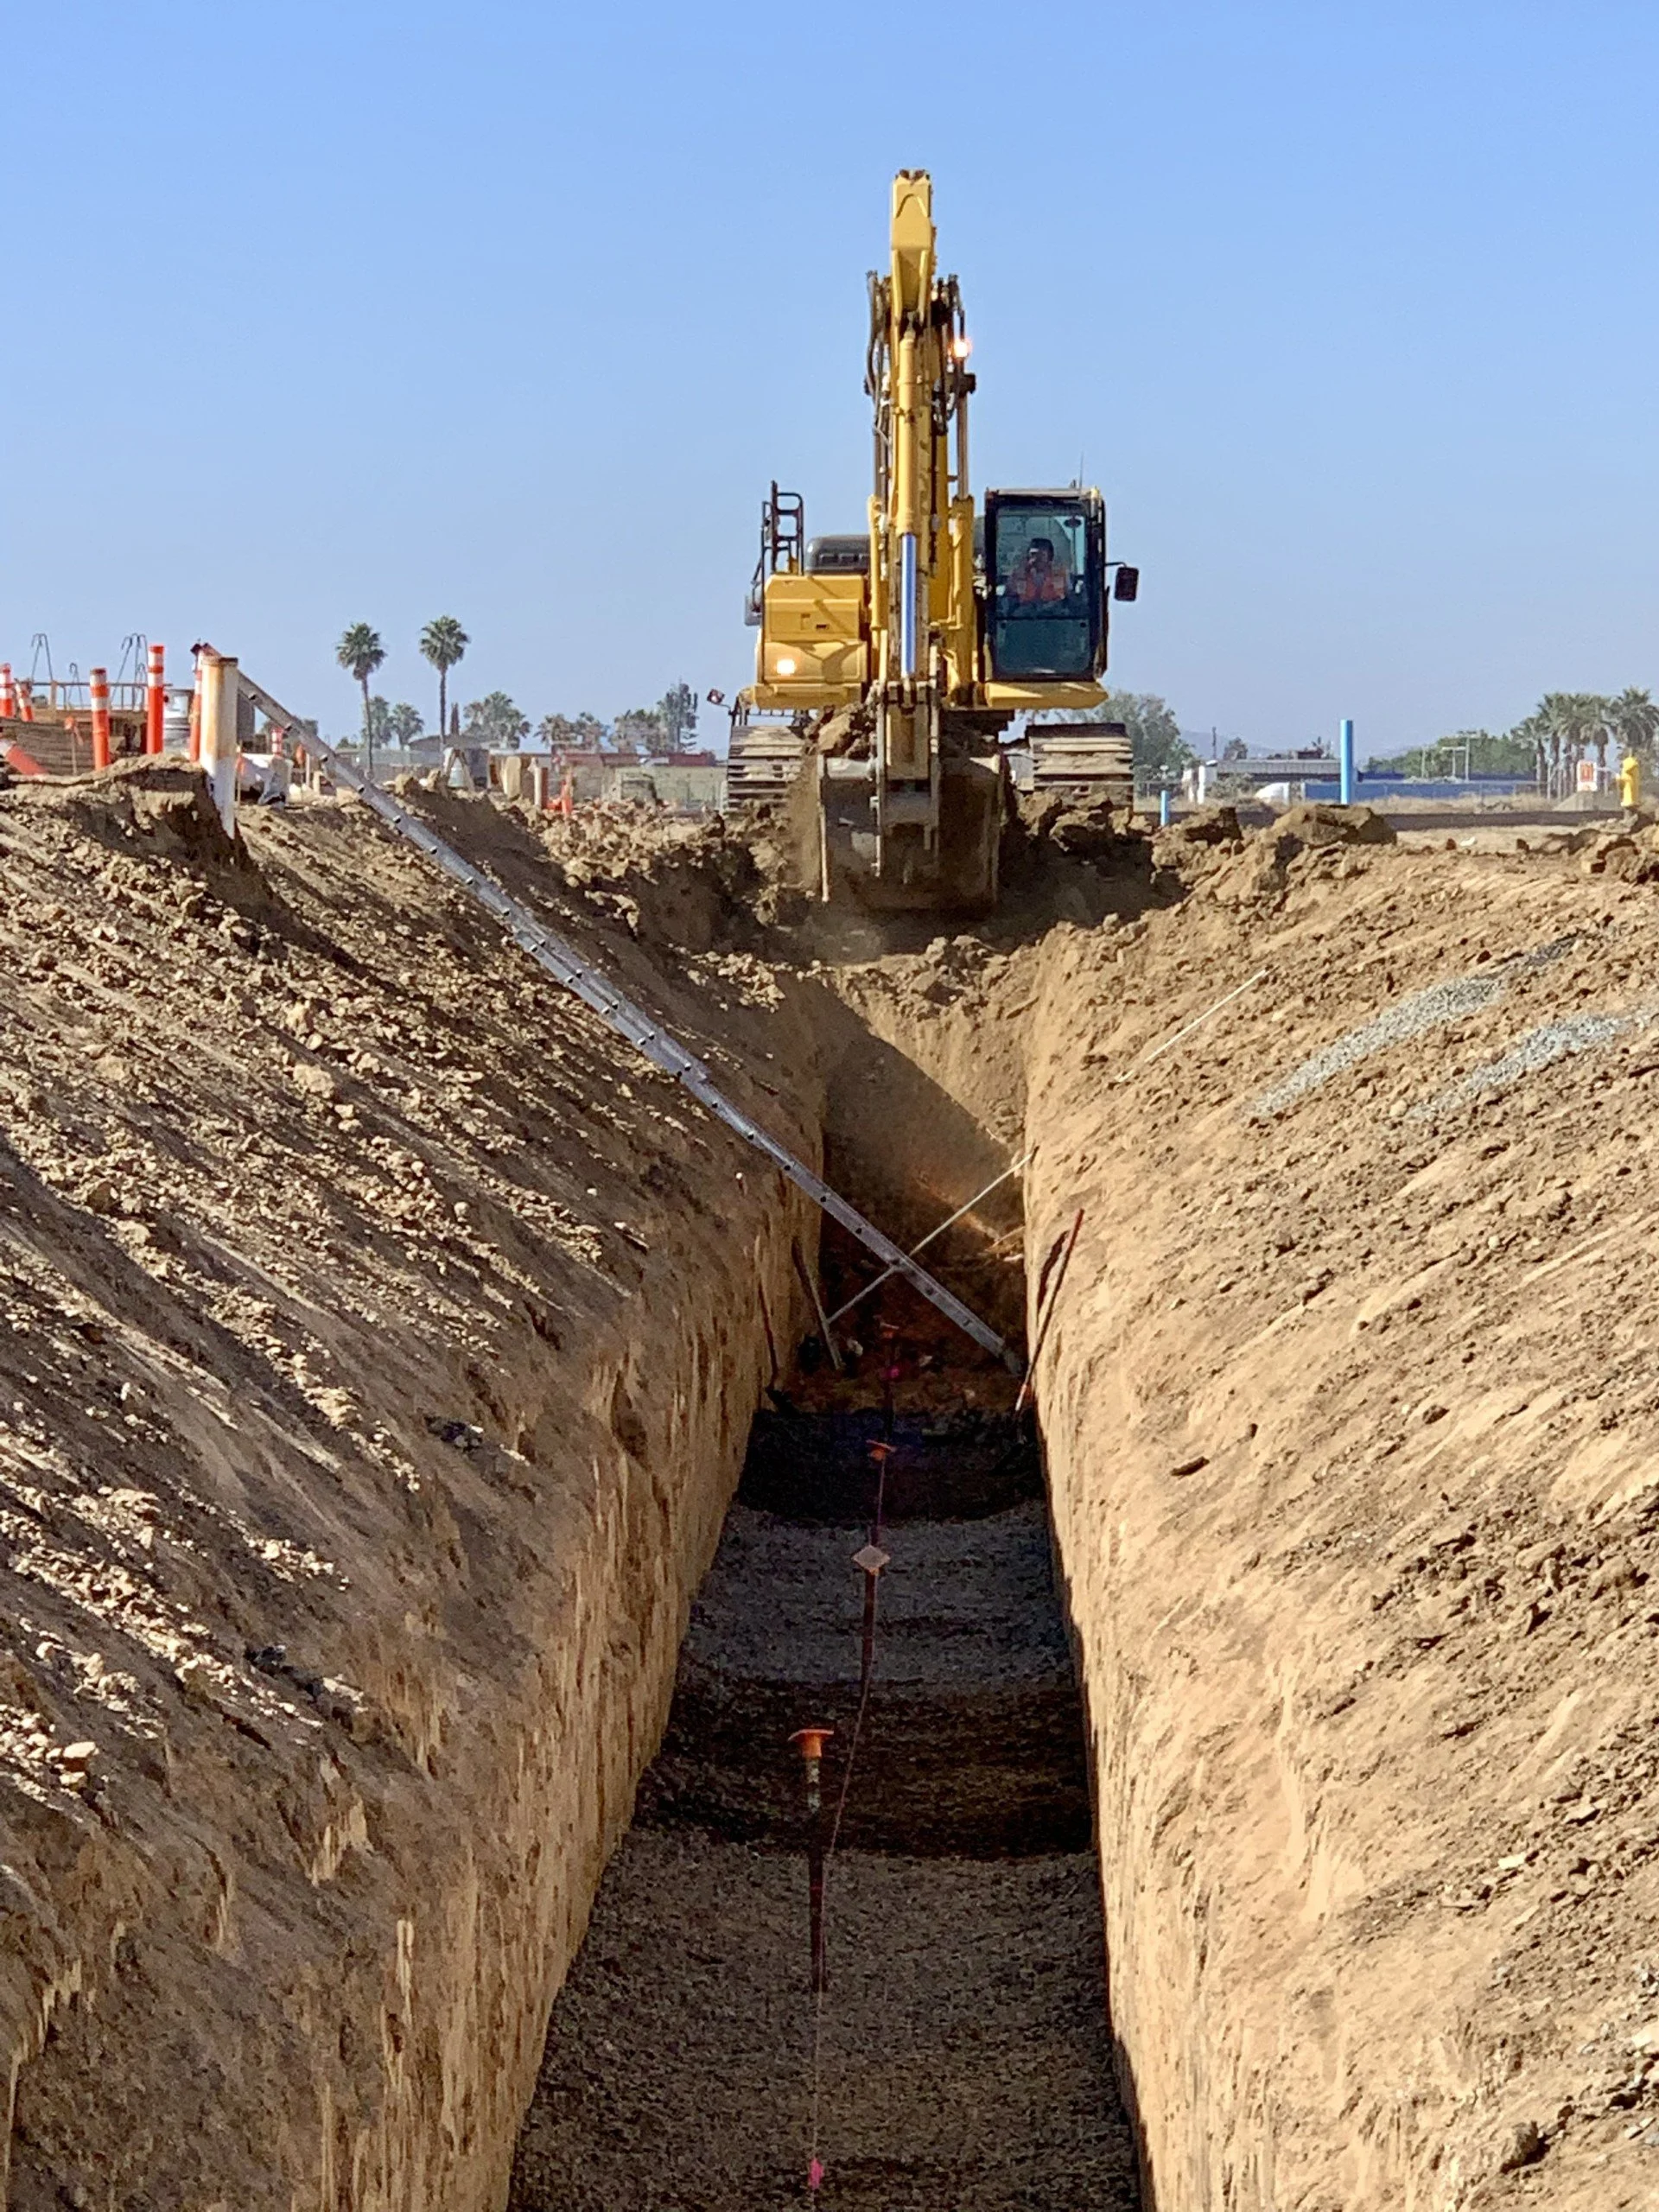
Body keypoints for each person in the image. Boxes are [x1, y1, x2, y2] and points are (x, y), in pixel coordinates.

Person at [1007, 536, 1068, 607]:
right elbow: (1009, 599)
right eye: (1034, 554)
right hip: (1023, 614)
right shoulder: (1017, 575)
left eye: (1042, 555)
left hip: (1055, 614)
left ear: (1050, 557)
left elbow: (1069, 598)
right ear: (1028, 556)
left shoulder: (1060, 574)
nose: (1037, 558)